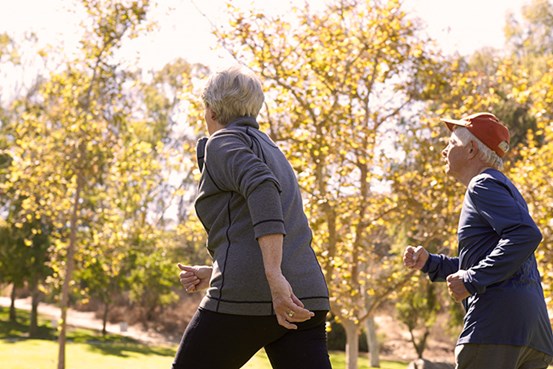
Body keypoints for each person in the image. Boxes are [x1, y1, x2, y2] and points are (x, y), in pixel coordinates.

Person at [172, 65, 331, 369]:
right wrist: (219, 269)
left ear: (212, 110)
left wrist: (274, 277)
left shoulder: (222, 141)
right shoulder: (272, 148)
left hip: (253, 296)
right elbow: (251, 220)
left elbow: (261, 186)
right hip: (307, 295)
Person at [403, 112, 553, 369]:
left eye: (451, 144)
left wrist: (472, 280)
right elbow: (495, 260)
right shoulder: (505, 189)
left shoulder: (482, 185)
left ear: (471, 149)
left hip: (495, 331)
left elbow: (525, 235)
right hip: (533, 338)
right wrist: (432, 263)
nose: (444, 151)